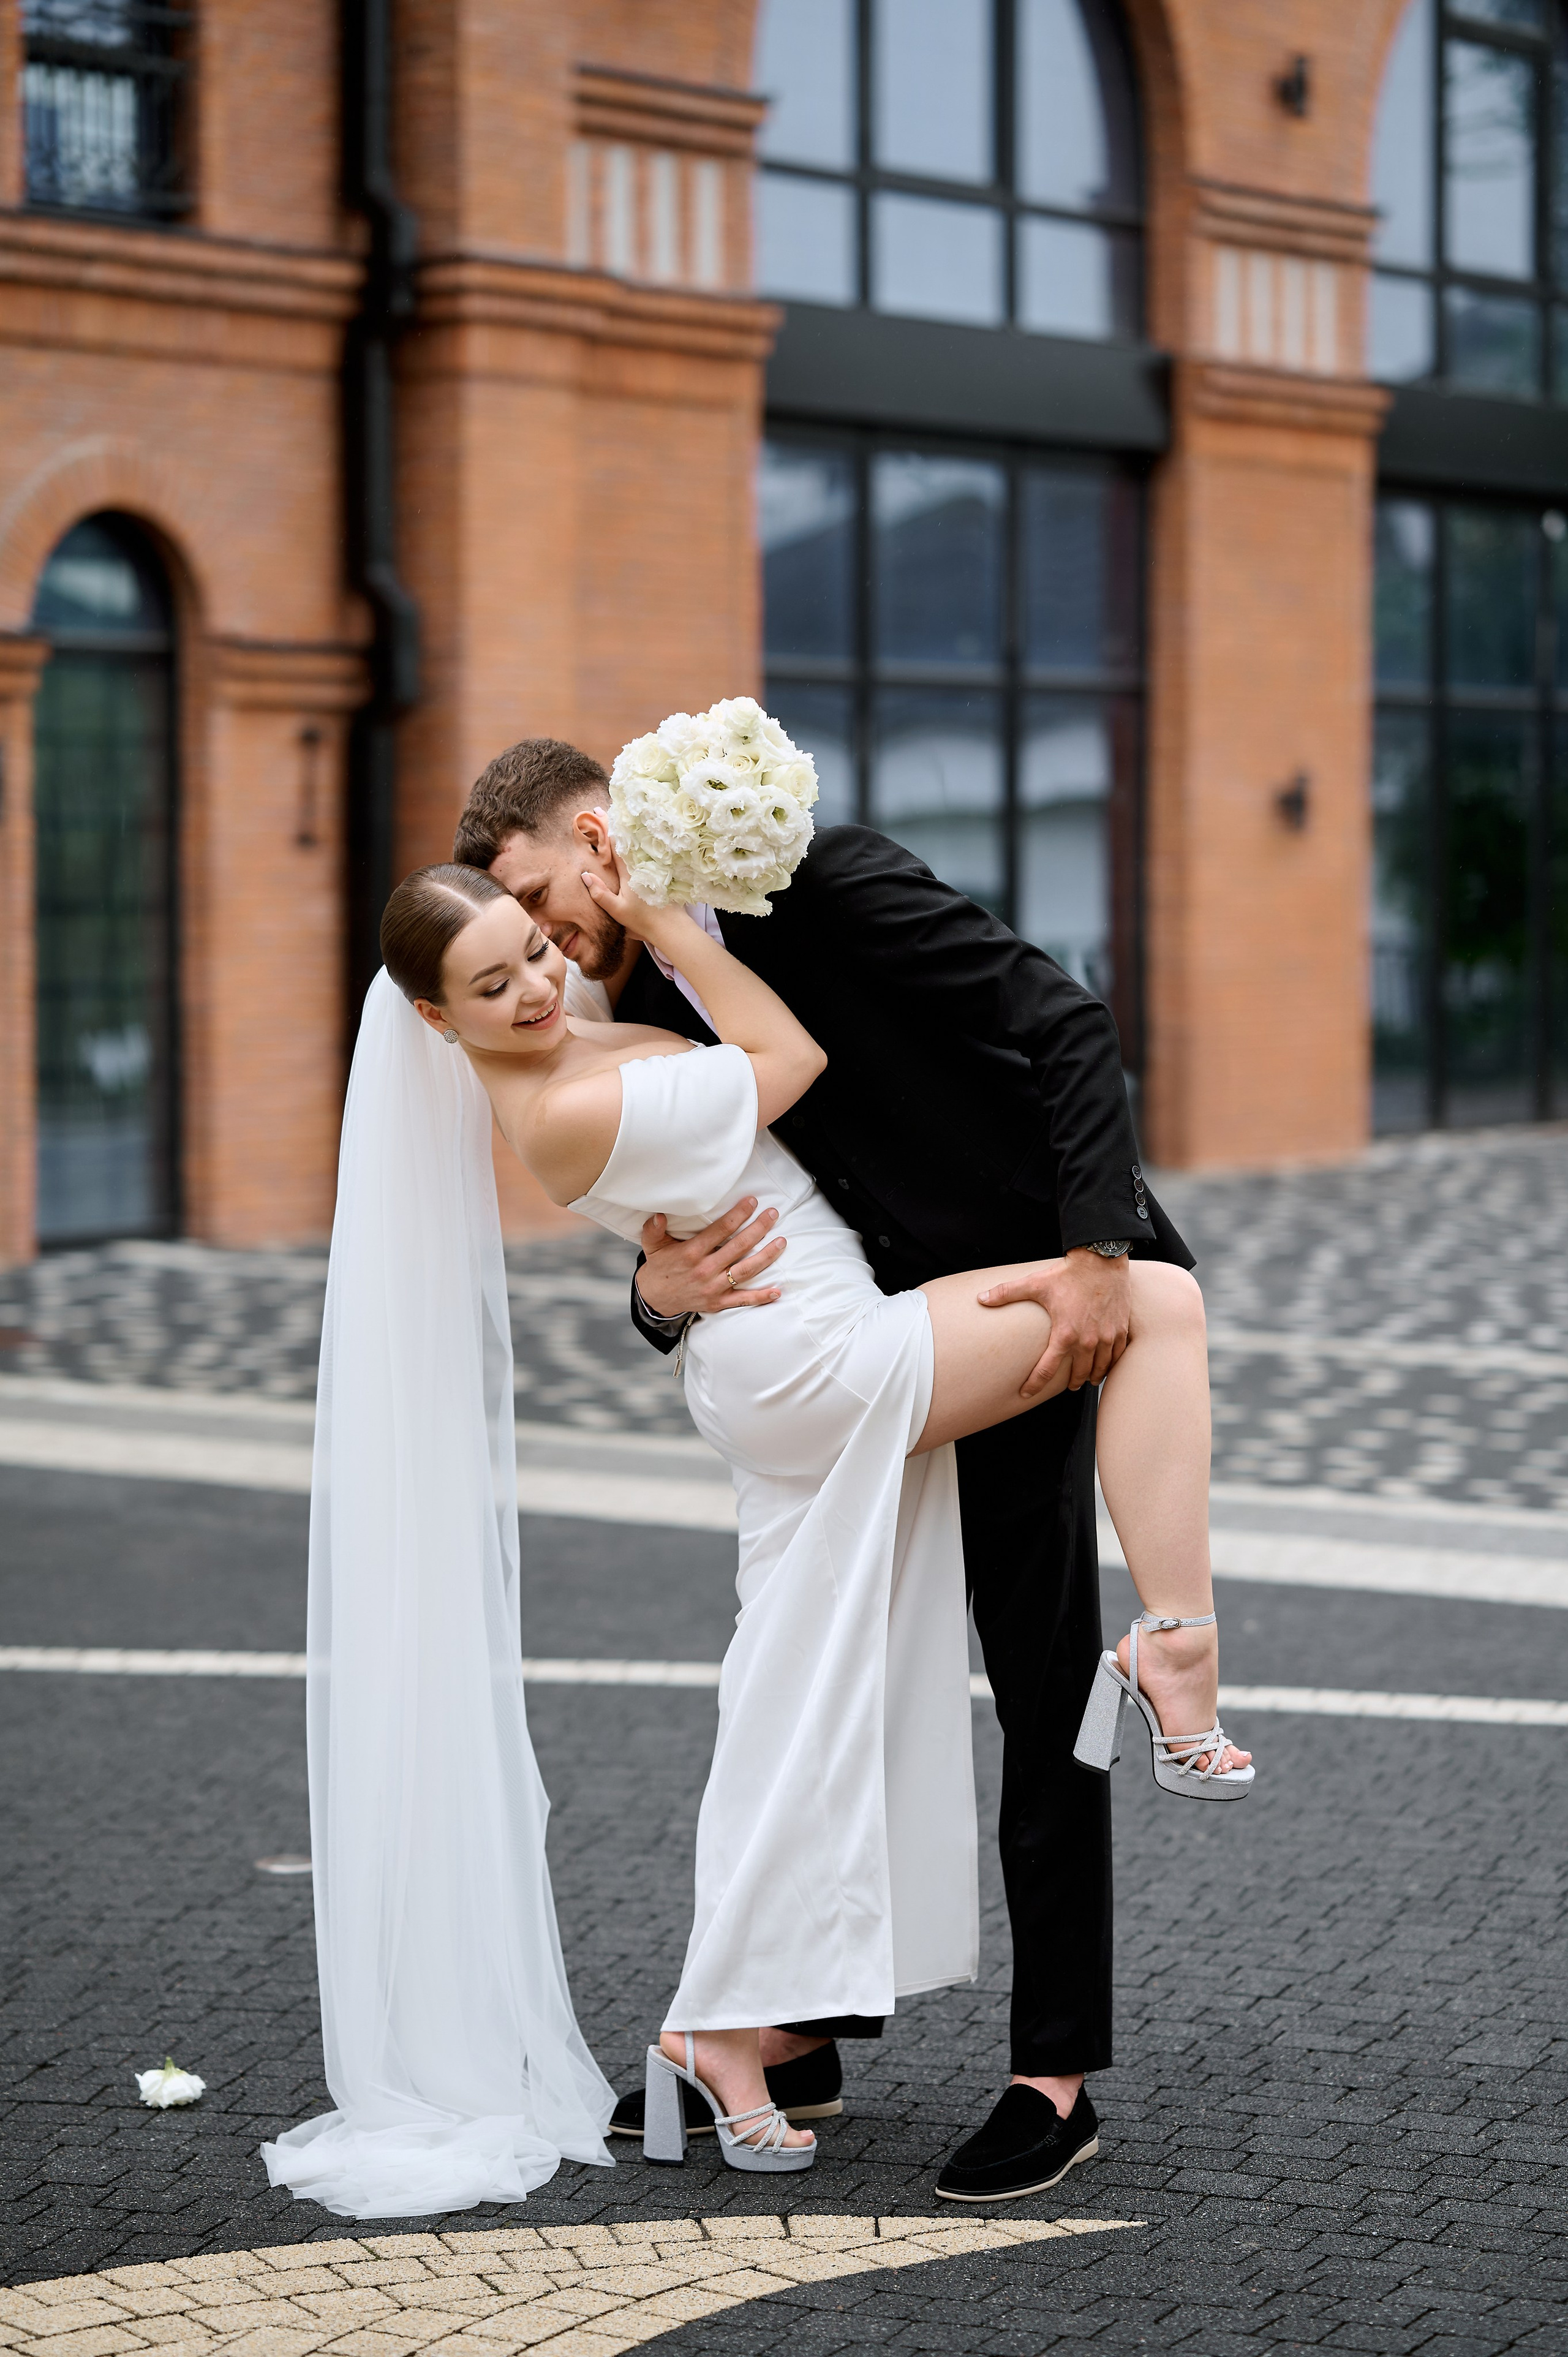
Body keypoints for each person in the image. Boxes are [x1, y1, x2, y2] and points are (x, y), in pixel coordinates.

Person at [378, 851, 1251, 2195]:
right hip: (845, 1354)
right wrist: (655, 1288)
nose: (548, 959)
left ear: (602, 836)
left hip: (927, 1301)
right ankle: (1178, 1648)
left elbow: (1062, 1024)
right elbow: (749, 1087)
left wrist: (1091, 1241)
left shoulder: (797, 892)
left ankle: (778, 2030)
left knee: (812, 1694)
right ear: (441, 1014)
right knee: (1165, 1307)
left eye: (546, 922)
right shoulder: (600, 1021)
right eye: (502, 966)